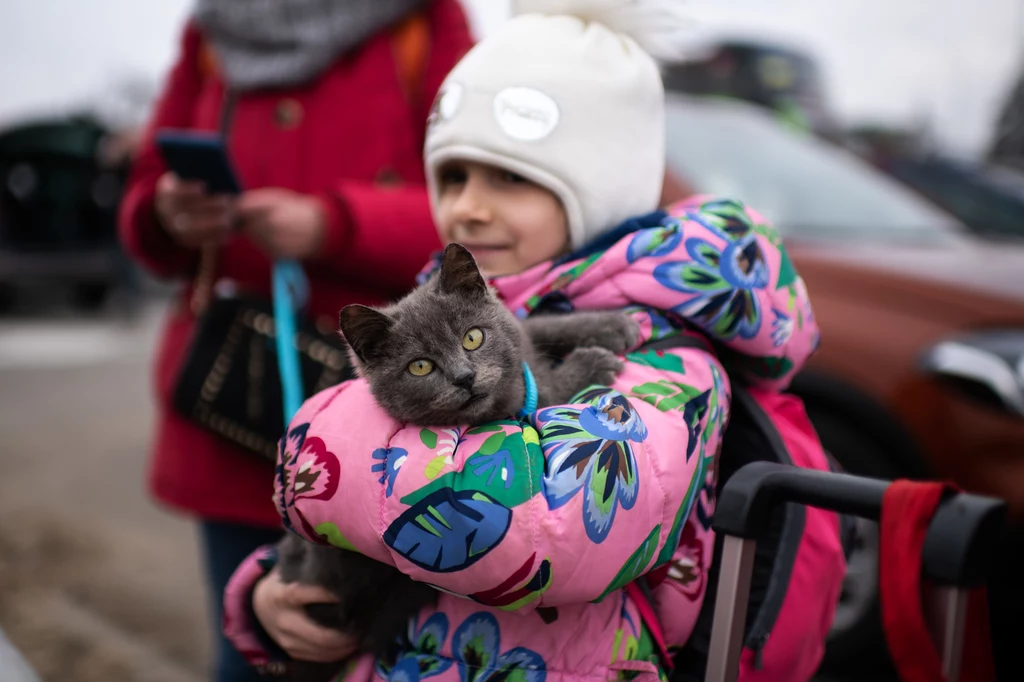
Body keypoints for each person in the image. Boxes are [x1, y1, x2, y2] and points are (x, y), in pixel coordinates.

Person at [223, 1, 845, 680]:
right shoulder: (446, 314)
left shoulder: (668, 358)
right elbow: (338, 537)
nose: (469, 206)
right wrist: (264, 597)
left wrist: (325, 436)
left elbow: (544, 528)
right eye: (452, 176)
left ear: (599, 188)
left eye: (510, 177)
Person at [116, 2, 474, 680]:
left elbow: (477, 209)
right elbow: (140, 210)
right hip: (235, 413)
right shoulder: (210, 30)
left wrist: (333, 224)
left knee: (403, 657)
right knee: (254, 655)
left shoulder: (424, 21)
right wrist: (167, 212)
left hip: (387, 424)